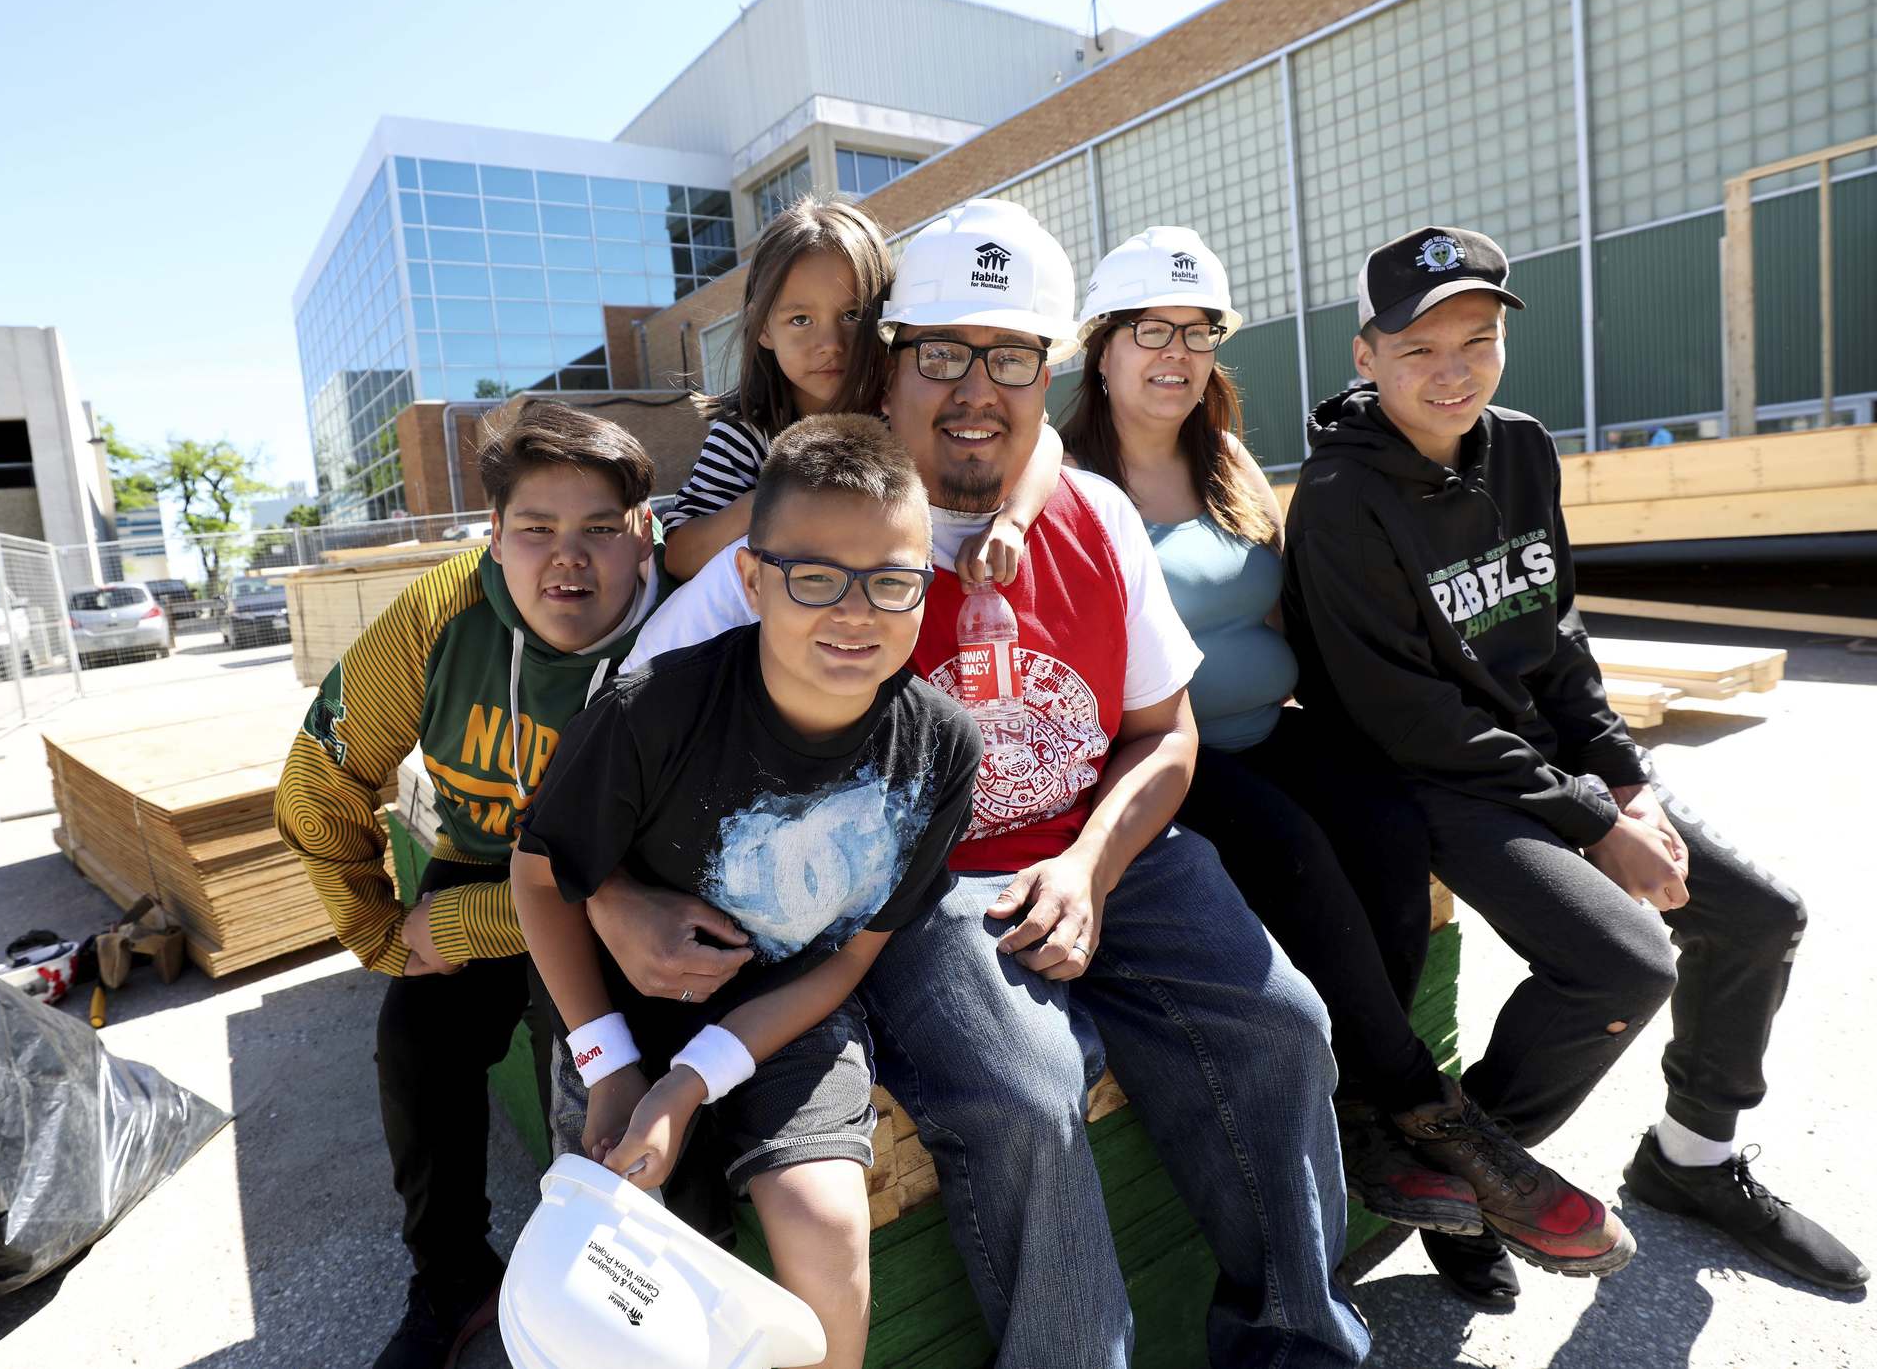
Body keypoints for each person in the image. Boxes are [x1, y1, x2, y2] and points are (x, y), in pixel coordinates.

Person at [601, 199, 1370, 1368]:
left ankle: (1297, 1348)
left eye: (1008, 356)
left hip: (1098, 846)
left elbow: (1164, 734)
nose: (974, 387)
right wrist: (618, 891)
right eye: (942, 352)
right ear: (891, 366)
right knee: (1025, 1088)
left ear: (1046, 369)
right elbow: (627, 730)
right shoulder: (820, 540)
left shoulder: (1097, 516)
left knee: (1283, 1024)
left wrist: (1089, 864)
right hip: (921, 887)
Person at [1282, 224, 1869, 1302]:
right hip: (1430, 777)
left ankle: (1684, 1161)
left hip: (1545, 762)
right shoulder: (1336, 502)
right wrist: (1593, 823)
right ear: (1363, 355)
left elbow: (1552, 631)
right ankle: (1466, 1179)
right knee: (1621, 963)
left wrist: (1623, 776)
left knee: (1754, 916)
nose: (1449, 371)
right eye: (1417, 349)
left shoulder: (1519, 446)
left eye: (1474, 340)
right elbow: (1407, 716)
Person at [1063, 226, 1631, 1278]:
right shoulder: (1059, 485)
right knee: (1293, 850)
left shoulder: (1222, 457)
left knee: (1381, 819)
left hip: (1261, 726)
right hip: (1155, 752)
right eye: (1149, 331)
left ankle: (1362, 1108)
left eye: (1196, 332)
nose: (1174, 354)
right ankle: (1424, 1109)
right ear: (1098, 349)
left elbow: (1275, 614)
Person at [511, 415, 981, 1368]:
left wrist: (695, 1082)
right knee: (627, 1276)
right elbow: (540, 873)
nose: (855, 613)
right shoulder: (653, 712)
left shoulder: (941, 749)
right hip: (616, 1013)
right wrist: (614, 1067)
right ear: (754, 579)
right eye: (815, 579)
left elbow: (852, 953)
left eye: (892, 583)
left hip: (787, 1014)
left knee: (827, 1224)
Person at [275, 401, 675, 1369]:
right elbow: (317, 779)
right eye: (534, 530)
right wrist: (379, 933)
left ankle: (600, 1307)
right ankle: (448, 1279)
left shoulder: (691, 628)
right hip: (487, 852)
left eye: (598, 531)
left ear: (646, 535)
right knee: (416, 1043)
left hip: (621, 882)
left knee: (598, 1065)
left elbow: (687, 872)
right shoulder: (440, 610)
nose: (564, 560)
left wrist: (464, 919)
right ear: (492, 540)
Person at [662, 192, 1065, 588]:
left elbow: (1044, 440)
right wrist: (780, 497)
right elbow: (680, 555)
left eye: (852, 315)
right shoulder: (745, 433)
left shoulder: (898, 414)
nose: (831, 343)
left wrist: (1013, 521)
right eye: (801, 319)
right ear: (763, 327)